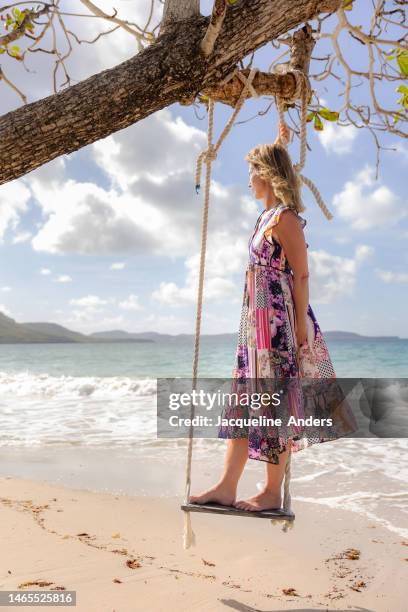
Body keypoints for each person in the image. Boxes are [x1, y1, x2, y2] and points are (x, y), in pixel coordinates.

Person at [189, 124, 356, 512]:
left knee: (275, 403)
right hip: (255, 323)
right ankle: (227, 486)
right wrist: (278, 141)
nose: (248, 179)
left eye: (253, 171)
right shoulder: (266, 216)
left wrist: (299, 328)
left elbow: (301, 275)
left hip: (279, 323)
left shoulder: (287, 219)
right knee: (245, 401)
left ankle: (271, 491)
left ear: (266, 174)